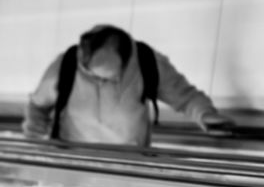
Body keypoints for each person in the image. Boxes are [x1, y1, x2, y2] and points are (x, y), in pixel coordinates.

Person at [25, 23, 234, 145]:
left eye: (109, 78)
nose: (102, 83)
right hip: (75, 167)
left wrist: (206, 115)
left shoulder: (146, 62)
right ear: (83, 57)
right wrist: (34, 139)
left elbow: (187, 98)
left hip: (127, 169)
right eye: (93, 76)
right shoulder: (66, 65)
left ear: (126, 61)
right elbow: (37, 106)